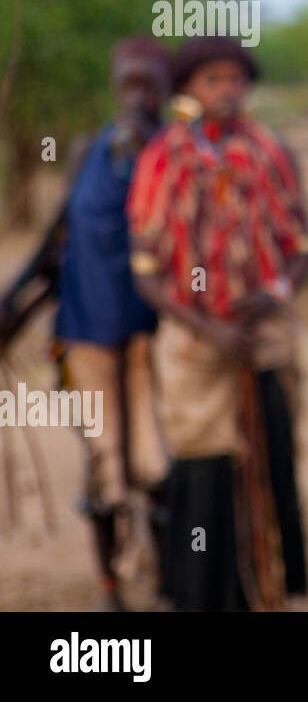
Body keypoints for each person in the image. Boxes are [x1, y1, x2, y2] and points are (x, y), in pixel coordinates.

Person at [126, 37, 308, 611]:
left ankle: (267, 586)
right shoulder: (165, 156)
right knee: (204, 465)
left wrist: (274, 291)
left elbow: (302, 245)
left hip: (264, 339)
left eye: (235, 79)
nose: (227, 91)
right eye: (213, 80)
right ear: (187, 89)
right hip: (193, 341)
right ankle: (203, 594)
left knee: (270, 453)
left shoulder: (267, 151)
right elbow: (147, 270)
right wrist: (210, 329)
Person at [0, 37, 172, 610]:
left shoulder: (176, 155)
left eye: (151, 85)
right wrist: (15, 305)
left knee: (156, 463)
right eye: (131, 85)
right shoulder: (88, 151)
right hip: (83, 333)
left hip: (155, 339)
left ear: (167, 91)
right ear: (116, 89)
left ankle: (168, 578)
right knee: (103, 462)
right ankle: (110, 588)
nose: (140, 96)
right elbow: (58, 240)